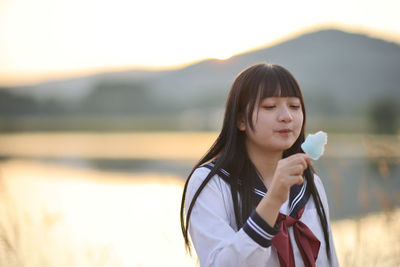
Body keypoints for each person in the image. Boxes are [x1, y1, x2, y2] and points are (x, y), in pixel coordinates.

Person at [180, 63, 339, 267]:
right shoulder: (210, 183)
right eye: (270, 107)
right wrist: (273, 199)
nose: (286, 117)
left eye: (294, 106)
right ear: (240, 120)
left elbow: (329, 259)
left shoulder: (310, 183)